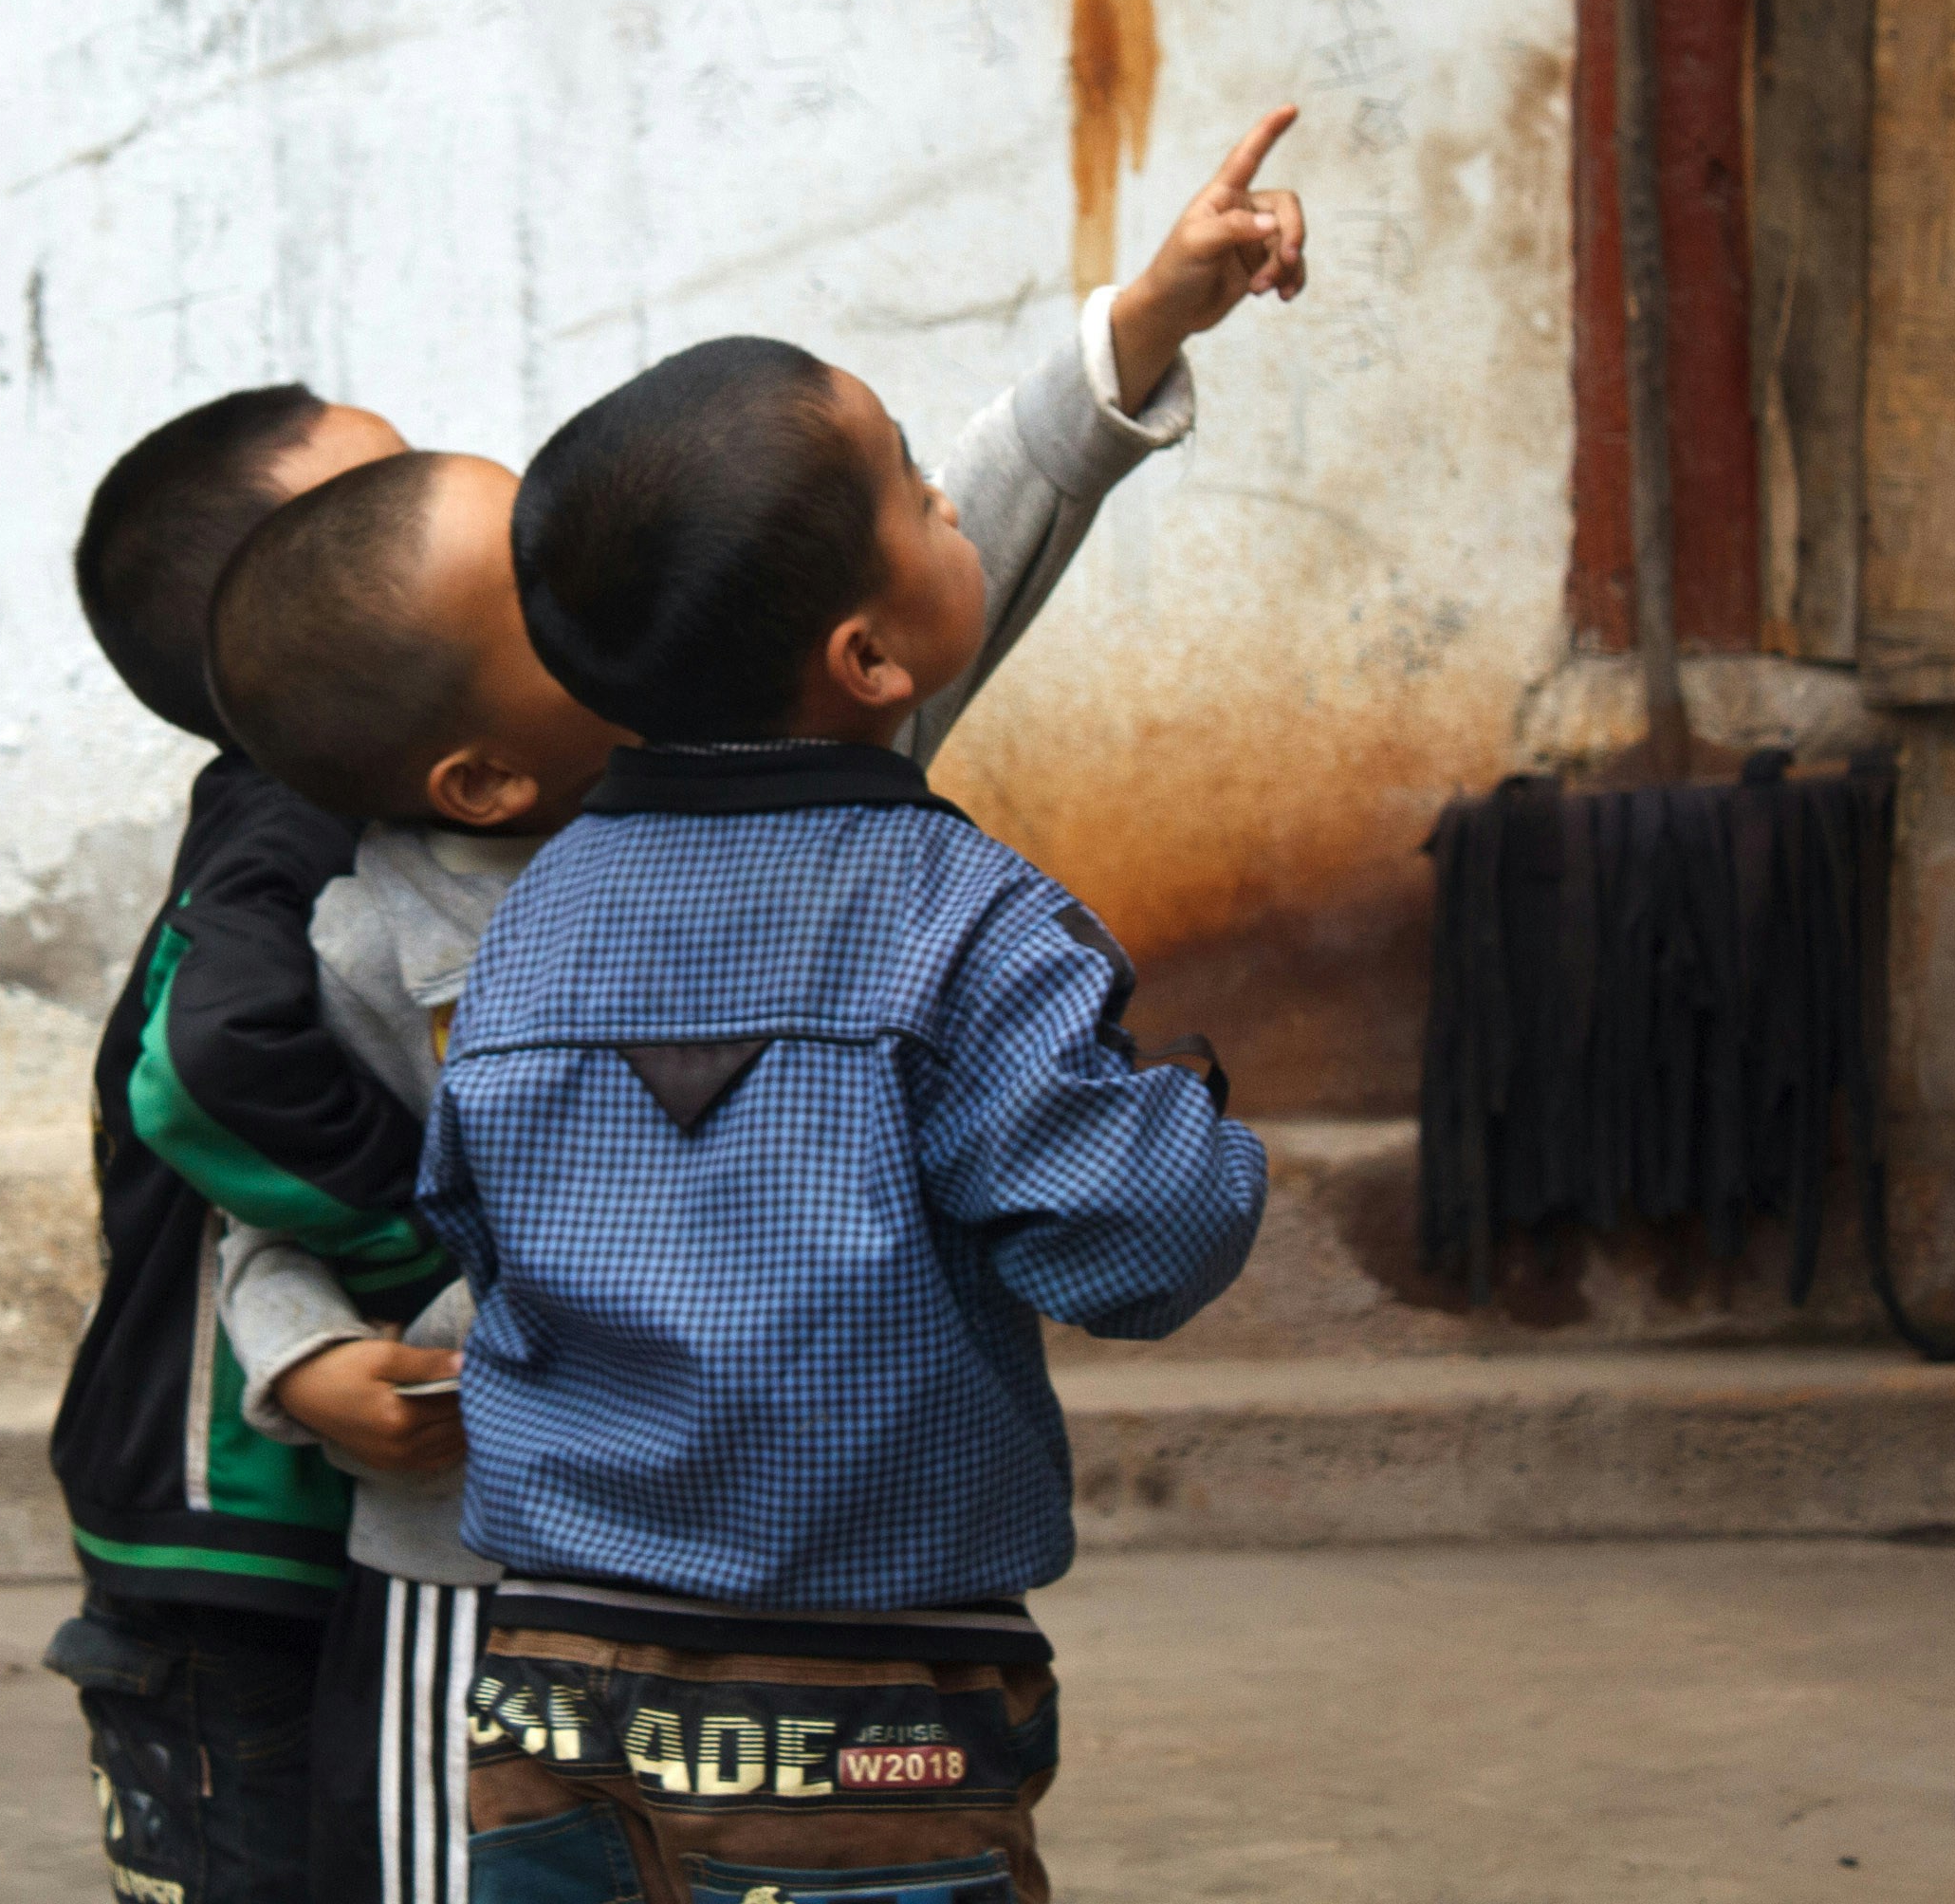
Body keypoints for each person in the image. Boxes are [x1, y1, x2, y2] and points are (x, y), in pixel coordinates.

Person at [206, 108, 1309, 1904]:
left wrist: (1141, 322)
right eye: (917, 496)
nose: (957, 504)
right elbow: (1136, 1241)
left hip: (555, 1665)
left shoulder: (541, 925)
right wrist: (1186, 1120)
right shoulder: (959, 914)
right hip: (873, 1666)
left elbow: (447, 1200)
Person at [45, 382, 469, 1904]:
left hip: (318, 1505)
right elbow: (211, 1072)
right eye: (384, 500)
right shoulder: (290, 811)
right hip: (229, 1519)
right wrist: (428, 1253)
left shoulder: (375, 799)